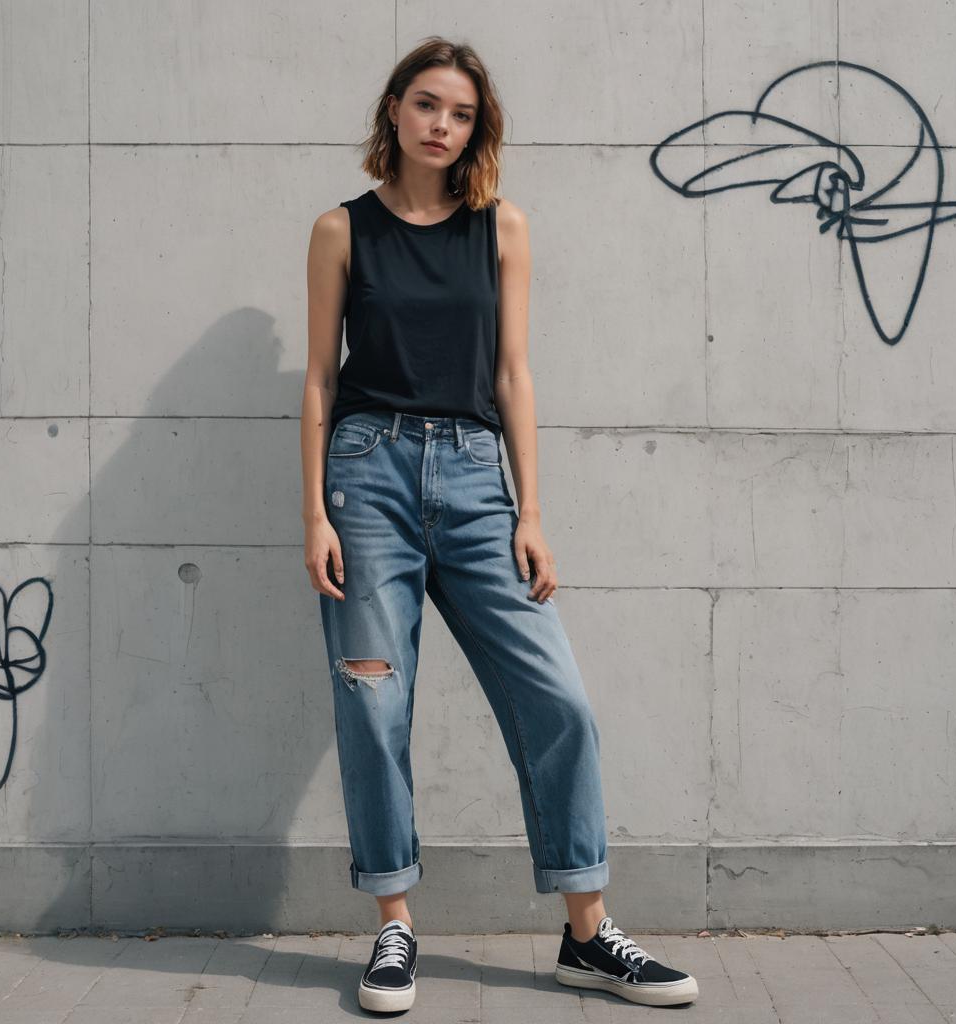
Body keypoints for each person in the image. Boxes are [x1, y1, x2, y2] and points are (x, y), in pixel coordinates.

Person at [301, 35, 699, 1015]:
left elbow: (513, 374)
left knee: (556, 699)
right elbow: (317, 378)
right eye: (427, 103)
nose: (442, 124)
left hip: (479, 485)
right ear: (393, 109)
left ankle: (586, 934)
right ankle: (393, 926)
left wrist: (532, 511)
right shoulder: (340, 230)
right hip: (367, 480)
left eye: (462, 112)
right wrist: (311, 508)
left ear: (476, 128)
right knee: (371, 707)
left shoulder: (500, 227)